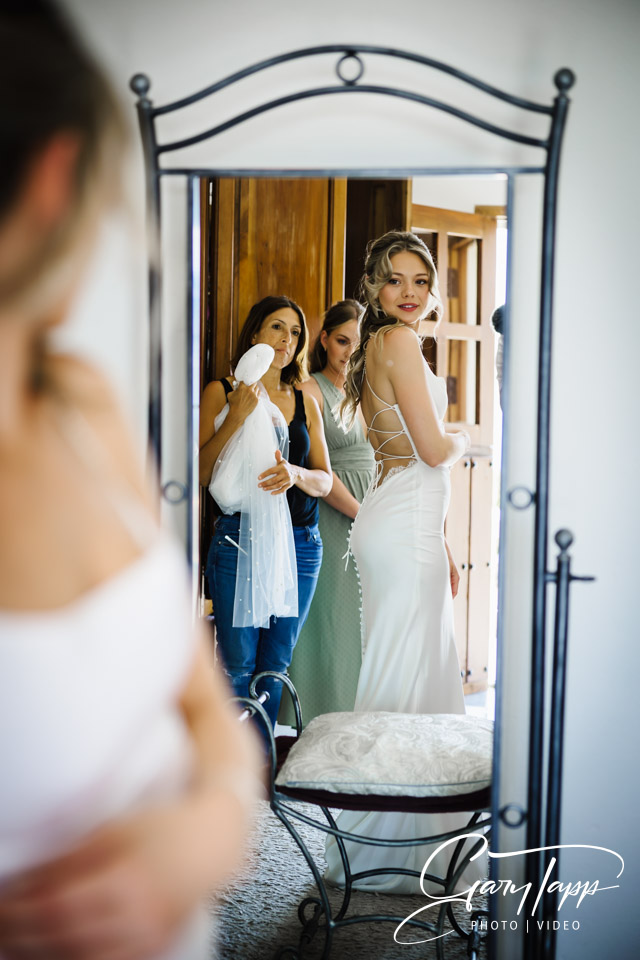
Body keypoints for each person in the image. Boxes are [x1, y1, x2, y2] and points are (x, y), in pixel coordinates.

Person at [0, 3, 261, 958]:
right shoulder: (219, 386)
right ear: (57, 178)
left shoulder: (81, 403)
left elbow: (203, 704)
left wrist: (211, 830)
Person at [324, 230, 476, 895]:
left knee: (408, 669)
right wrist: (467, 436)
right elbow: (434, 451)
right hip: (401, 525)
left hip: (404, 521)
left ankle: (399, 833)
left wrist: (441, 541)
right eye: (395, 280)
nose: (409, 293)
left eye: (420, 280)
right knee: (403, 676)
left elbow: (402, 464)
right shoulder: (400, 341)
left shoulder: (381, 344)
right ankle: (391, 843)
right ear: (375, 288)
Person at [199, 296, 332, 732]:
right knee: (237, 663)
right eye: (277, 328)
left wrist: (295, 472)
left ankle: (262, 767)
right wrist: (236, 418)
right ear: (254, 333)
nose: (286, 340)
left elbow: (325, 481)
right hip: (240, 540)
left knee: (276, 662)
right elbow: (199, 473)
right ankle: (232, 773)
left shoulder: (304, 398)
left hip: (301, 545)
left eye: (295, 333)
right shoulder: (223, 390)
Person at [281, 300, 375, 724]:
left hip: (376, 511)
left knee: (366, 623)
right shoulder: (310, 391)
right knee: (332, 622)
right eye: (341, 341)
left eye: (358, 344)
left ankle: (361, 721)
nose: (349, 352)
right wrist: (363, 516)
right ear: (323, 340)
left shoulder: (371, 390)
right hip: (335, 516)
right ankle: (320, 720)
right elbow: (320, 471)